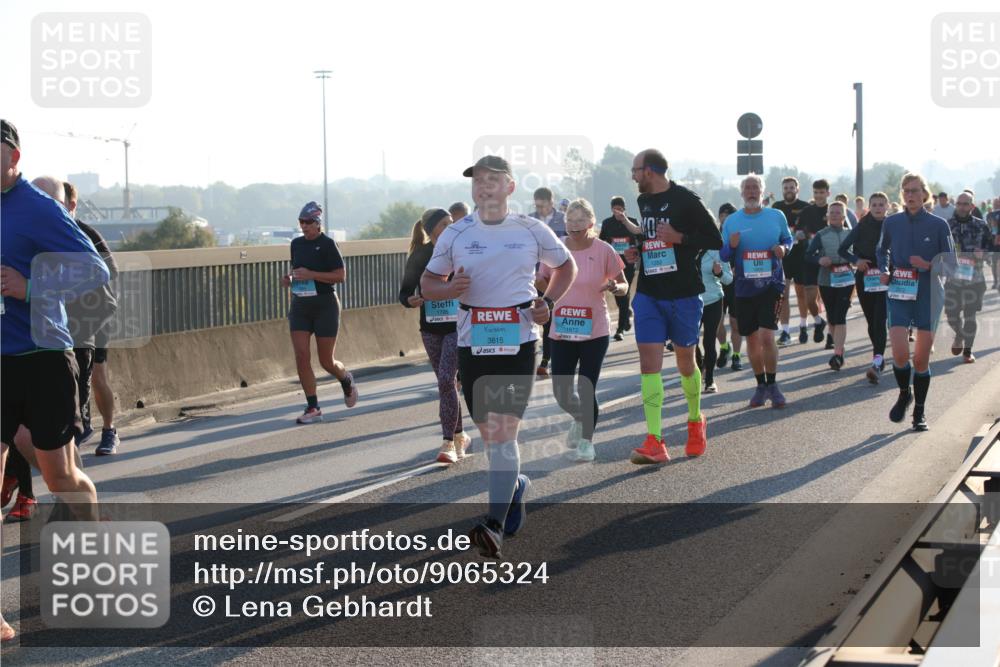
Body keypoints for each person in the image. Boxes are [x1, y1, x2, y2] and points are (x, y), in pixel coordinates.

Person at [421, 155, 576, 558]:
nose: (483, 187)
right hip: (473, 342)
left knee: (505, 432)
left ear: (510, 186)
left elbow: (566, 266)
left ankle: (492, 525)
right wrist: (449, 288)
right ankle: (517, 486)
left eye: (492, 180)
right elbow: (427, 284)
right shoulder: (455, 234)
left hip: (518, 342)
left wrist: (548, 302)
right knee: (492, 437)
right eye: (477, 182)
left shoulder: (531, 229)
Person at [1, 118, 110, 642]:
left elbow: (95, 271)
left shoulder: (38, 208)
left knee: (61, 477)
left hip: (44, 357)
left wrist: (29, 284)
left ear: (12, 158)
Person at [623, 149, 722, 465]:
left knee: (684, 361)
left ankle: (695, 421)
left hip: (683, 293)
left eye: (636, 170)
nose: (633, 176)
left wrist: (680, 237)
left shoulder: (686, 199)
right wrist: (639, 250)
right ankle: (655, 440)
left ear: (650, 170)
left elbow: (714, 239)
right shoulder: (643, 202)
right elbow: (652, 238)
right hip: (649, 292)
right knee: (648, 364)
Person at [538, 198, 626, 462]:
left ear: (591, 223)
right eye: (569, 221)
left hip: (594, 330)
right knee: (561, 391)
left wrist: (614, 288)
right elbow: (543, 281)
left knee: (586, 387)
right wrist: (534, 285)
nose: (574, 226)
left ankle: (587, 441)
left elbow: (622, 284)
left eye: (579, 221)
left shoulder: (604, 250)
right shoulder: (557, 249)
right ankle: (579, 417)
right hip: (562, 329)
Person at [877, 173, 955, 431]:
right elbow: (882, 250)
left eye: (915, 190)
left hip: (929, 293)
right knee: (899, 353)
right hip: (899, 289)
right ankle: (904, 393)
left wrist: (929, 264)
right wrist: (884, 269)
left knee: (920, 361)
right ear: (902, 195)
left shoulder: (938, 225)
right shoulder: (891, 222)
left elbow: (951, 264)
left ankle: (919, 413)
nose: (910, 195)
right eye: (906, 191)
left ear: (925, 194)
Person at [399, 209, 470, 464]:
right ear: (431, 230)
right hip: (430, 328)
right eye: (444, 224)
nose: (450, 226)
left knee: (445, 378)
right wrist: (411, 299)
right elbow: (404, 292)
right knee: (446, 384)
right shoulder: (421, 255)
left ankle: (448, 442)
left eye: (452, 222)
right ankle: (460, 435)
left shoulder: (461, 249)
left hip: (457, 327)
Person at [720, 173, 793, 408]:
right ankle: (760, 385)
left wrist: (783, 248)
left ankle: (773, 384)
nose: (751, 191)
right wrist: (731, 246)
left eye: (755, 187)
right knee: (750, 338)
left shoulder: (776, 216)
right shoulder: (732, 221)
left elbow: (788, 240)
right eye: (747, 188)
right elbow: (723, 255)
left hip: (771, 284)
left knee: (766, 336)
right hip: (744, 287)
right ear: (741, 193)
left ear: (763, 192)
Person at [281, 201, 358, 424]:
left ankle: (345, 379)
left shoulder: (328, 244)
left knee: (326, 361)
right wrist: (290, 280)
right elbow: (299, 273)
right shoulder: (296, 244)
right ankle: (313, 406)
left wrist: (312, 274)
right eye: (301, 222)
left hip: (325, 305)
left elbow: (340, 276)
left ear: (317, 223)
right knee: (301, 355)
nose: (304, 226)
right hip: (300, 306)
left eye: (308, 222)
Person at [64, 180, 122, 455]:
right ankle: (73, 432)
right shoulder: (49, 232)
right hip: (68, 316)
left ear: (72, 205)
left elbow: (112, 270)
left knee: (97, 375)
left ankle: (109, 430)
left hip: (98, 313)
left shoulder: (87, 233)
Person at [839, 192, 890, 383]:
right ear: (870, 207)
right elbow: (843, 249)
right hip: (865, 277)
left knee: (880, 320)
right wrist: (856, 260)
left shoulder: (891, 224)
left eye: (881, 205)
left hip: (885, 276)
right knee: (871, 321)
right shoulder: (862, 225)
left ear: (887, 207)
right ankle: (879, 356)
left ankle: (877, 360)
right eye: (874, 205)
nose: (878, 208)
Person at [944, 191, 994, 363]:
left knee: (970, 315)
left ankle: (968, 351)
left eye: (965, 204)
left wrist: (985, 254)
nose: (962, 207)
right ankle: (959, 334)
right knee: (951, 314)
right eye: (959, 203)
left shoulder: (982, 225)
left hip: (975, 278)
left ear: (972, 206)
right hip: (953, 279)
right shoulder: (947, 225)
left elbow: (993, 250)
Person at [805, 201, 855, 370]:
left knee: (840, 315)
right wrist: (819, 259)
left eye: (837, 212)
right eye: (831, 212)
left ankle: (838, 354)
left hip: (846, 280)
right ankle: (838, 349)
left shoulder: (851, 233)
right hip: (827, 280)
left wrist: (854, 260)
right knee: (832, 317)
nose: (834, 215)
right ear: (827, 216)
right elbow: (808, 255)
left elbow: (857, 253)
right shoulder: (821, 234)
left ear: (843, 216)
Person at [530, 187, 567, 379]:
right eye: (536, 205)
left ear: (551, 203)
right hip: (535, 277)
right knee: (541, 317)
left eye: (543, 206)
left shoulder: (564, 219)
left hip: (559, 275)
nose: (539, 209)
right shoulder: (529, 220)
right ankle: (541, 359)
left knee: (553, 318)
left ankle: (548, 359)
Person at [772, 177, 812, 346]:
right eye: (786, 188)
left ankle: (803, 325)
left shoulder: (806, 207)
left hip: (801, 256)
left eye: (791, 187)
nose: (788, 190)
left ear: (797, 189)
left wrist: (805, 234)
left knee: (802, 294)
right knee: (784, 295)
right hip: (784, 256)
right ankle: (786, 331)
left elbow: (812, 230)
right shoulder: (777, 207)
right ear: (782, 190)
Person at [795, 179, 834, 345]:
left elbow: (847, 231)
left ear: (828, 193)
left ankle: (832, 337)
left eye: (822, 192)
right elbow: (796, 231)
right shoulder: (806, 212)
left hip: (831, 261)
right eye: (816, 193)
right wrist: (799, 235)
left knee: (831, 302)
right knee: (810, 299)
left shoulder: (835, 210)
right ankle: (818, 321)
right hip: (810, 259)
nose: (818, 196)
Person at [598, 195, 641, 340]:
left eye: (620, 209)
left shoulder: (633, 222)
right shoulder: (607, 223)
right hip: (613, 263)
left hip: (629, 262)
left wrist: (635, 249)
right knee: (617, 293)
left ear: (624, 209)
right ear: (611, 209)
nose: (618, 212)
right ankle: (626, 312)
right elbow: (602, 241)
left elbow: (640, 240)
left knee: (625, 291)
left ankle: (620, 329)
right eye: (615, 209)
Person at [697, 225, 733, 393]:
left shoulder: (718, 251)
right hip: (690, 302)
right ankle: (698, 370)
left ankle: (710, 380)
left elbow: (728, 280)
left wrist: (718, 273)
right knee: (690, 343)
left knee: (709, 340)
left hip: (713, 300)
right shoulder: (684, 249)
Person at [715, 203, 744, 371]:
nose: (725, 218)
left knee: (735, 322)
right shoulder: (713, 235)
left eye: (728, 215)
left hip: (736, 284)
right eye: (722, 215)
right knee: (717, 321)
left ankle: (737, 356)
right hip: (717, 283)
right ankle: (725, 347)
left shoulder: (739, 236)